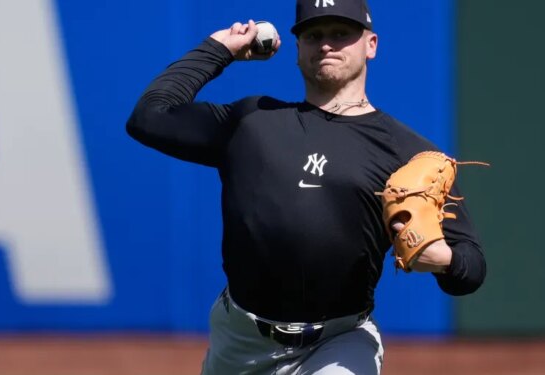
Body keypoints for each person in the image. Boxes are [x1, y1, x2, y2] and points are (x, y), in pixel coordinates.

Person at [126, 0, 486, 373]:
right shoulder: (252, 121)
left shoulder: (409, 153)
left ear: (371, 44)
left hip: (340, 342)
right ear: (297, 49)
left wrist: (446, 261)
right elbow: (149, 117)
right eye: (313, 35)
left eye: (340, 33)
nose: (326, 44)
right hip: (240, 342)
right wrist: (218, 49)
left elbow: (472, 266)